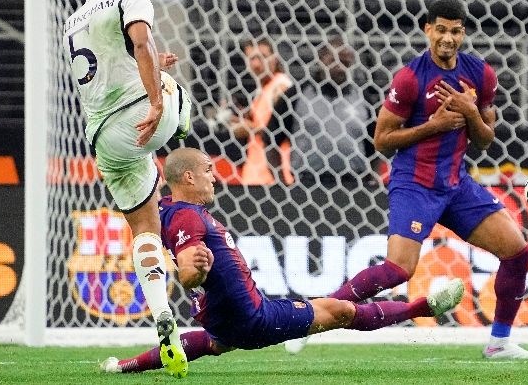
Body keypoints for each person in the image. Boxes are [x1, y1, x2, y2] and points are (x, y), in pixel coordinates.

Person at [289, 0, 528, 360]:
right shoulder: (410, 78)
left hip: (456, 184)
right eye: (440, 29)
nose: (447, 38)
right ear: (428, 30)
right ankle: (310, 318)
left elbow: (486, 139)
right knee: (398, 270)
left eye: (455, 31)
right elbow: (381, 141)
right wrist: (433, 126)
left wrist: (471, 112)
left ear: (463, 33)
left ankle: (499, 343)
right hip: (415, 183)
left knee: (518, 251)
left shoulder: (481, 74)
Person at [98, 148, 465, 374]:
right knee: (340, 313)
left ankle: (126, 365)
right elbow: (190, 274)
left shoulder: (169, 211)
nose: (215, 176)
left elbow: (151, 217)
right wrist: (192, 268)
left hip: (225, 316)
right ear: (189, 176)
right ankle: (422, 308)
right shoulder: (187, 218)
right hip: (253, 318)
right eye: (209, 170)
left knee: (213, 343)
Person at [63, 0, 192, 378]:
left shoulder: (71, 22)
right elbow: (140, 43)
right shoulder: (129, 0)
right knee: (174, 88)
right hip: (144, 116)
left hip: (104, 141)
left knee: (143, 227)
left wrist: (152, 64)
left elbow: (115, 61)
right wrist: (158, 99)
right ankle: (183, 129)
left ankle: (163, 320)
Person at [291, 37, 375, 187]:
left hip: (353, 183)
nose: (340, 68)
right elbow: (271, 140)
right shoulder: (297, 94)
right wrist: (281, 181)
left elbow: (376, 145)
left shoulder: (362, 97)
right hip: (308, 183)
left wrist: (371, 179)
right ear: (321, 60)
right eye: (334, 61)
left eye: (345, 63)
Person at [230, 37, 295, 185]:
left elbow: (280, 130)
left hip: (270, 175)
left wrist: (248, 129)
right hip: (257, 174)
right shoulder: (264, 89)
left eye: (263, 57)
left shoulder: (280, 86)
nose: (257, 64)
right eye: (252, 58)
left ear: (275, 58)